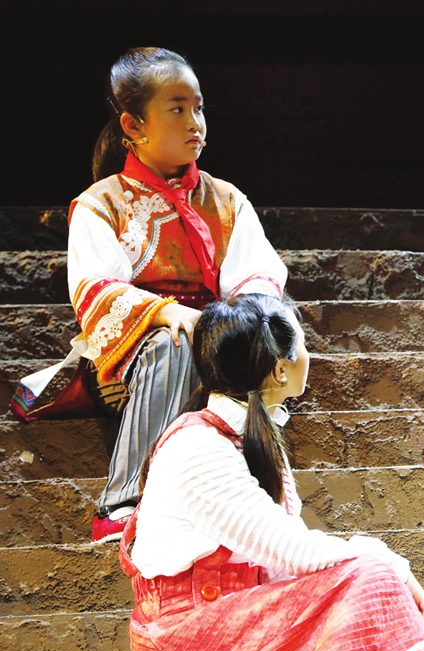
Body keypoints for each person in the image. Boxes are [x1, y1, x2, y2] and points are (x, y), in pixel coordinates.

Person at [121, 293, 424, 651]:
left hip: (236, 625)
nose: (309, 355)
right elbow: (293, 552)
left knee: (363, 585)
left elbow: (285, 566)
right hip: (190, 642)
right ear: (280, 370)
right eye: (303, 345)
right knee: (373, 575)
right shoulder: (197, 446)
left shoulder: (249, 438)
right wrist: (386, 558)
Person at [44, 47, 288, 542]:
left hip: (212, 345)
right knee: (173, 344)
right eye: (177, 109)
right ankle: (123, 501)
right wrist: (165, 312)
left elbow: (258, 277)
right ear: (133, 126)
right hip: (136, 357)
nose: (195, 122)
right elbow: (94, 288)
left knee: (271, 326)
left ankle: (254, 505)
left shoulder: (227, 201)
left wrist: (234, 325)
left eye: (198, 107)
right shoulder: (101, 205)